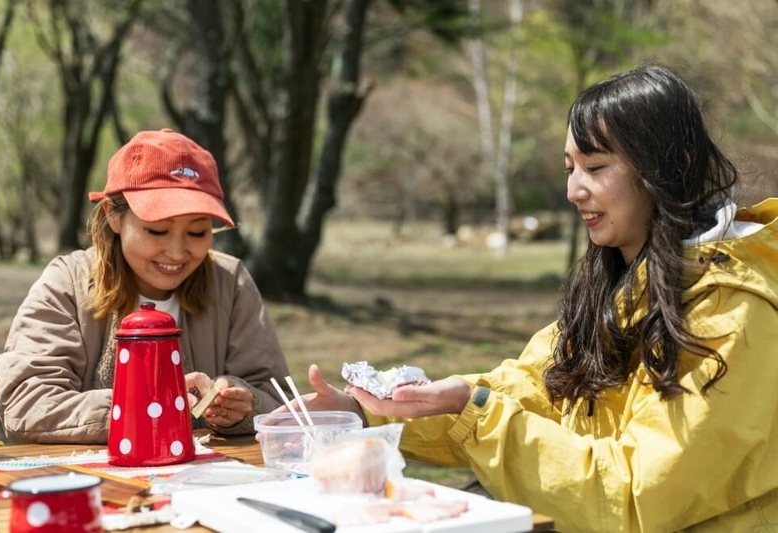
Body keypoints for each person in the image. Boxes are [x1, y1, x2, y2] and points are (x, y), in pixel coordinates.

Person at [289, 64, 778, 532]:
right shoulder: (618, 283)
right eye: (570, 167)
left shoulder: (730, 311)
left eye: (596, 166)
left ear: (672, 168)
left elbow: (637, 496)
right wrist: (367, 412)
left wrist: (475, 414)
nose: (572, 190)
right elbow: (530, 387)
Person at [0, 128, 291, 444]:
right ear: (113, 216)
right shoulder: (69, 282)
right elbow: (26, 402)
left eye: (196, 233)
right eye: (157, 231)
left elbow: (280, 399)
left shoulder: (228, 283)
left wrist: (243, 406)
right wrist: (142, 407)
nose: (177, 253)